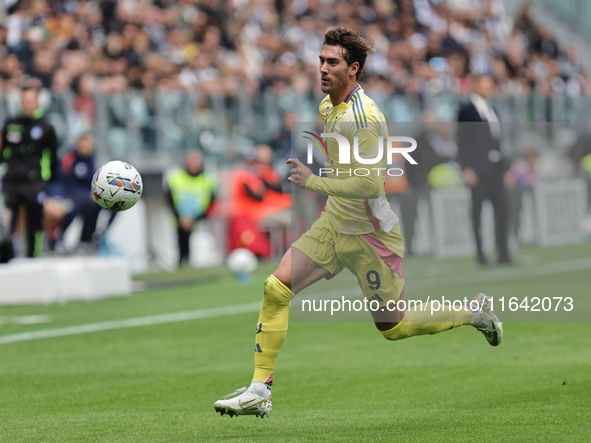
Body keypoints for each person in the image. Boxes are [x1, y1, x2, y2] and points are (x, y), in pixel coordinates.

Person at [213, 27, 503, 419]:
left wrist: (313, 180)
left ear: (354, 69)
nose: (323, 69)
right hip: (334, 223)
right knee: (276, 289)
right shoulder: (327, 107)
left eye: (332, 62)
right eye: (320, 60)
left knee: (394, 328)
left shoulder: (366, 118)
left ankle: (472, 313)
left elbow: (370, 183)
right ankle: (259, 390)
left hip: (370, 236)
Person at [457, 73, 512, 265]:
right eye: (482, 84)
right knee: (478, 213)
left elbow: (497, 141)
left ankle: (503, 253)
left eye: (489, 84)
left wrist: (505, 169)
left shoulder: (492, 109)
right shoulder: (467, 110)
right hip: (478, 170)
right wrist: (466, 168)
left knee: (503, 209)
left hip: (495, 169)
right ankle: (481, 255)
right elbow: (462, 141)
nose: (486, 88)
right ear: (475, 85)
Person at [0, 86, 58, 259]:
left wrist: (47, 182)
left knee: (35, 223)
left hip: (35, 182)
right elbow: (3, 152)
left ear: (37, 102)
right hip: (11, 182)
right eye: (24, 101)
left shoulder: (46, 127)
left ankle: (33, 257)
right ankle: (6, 257)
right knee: (7, 221)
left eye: (30, 101)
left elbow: (53, 157)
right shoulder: (11, 124)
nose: (27, 104)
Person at [164, 150, 216, 267]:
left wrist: (196, 218)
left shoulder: (208, 179)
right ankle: (182, 263)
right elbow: (169, 198)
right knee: (181, 242)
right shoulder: (176, 177)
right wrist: (181, 217)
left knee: (200, 246)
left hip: (201, 219)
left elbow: (212, 201)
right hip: (180, 219)